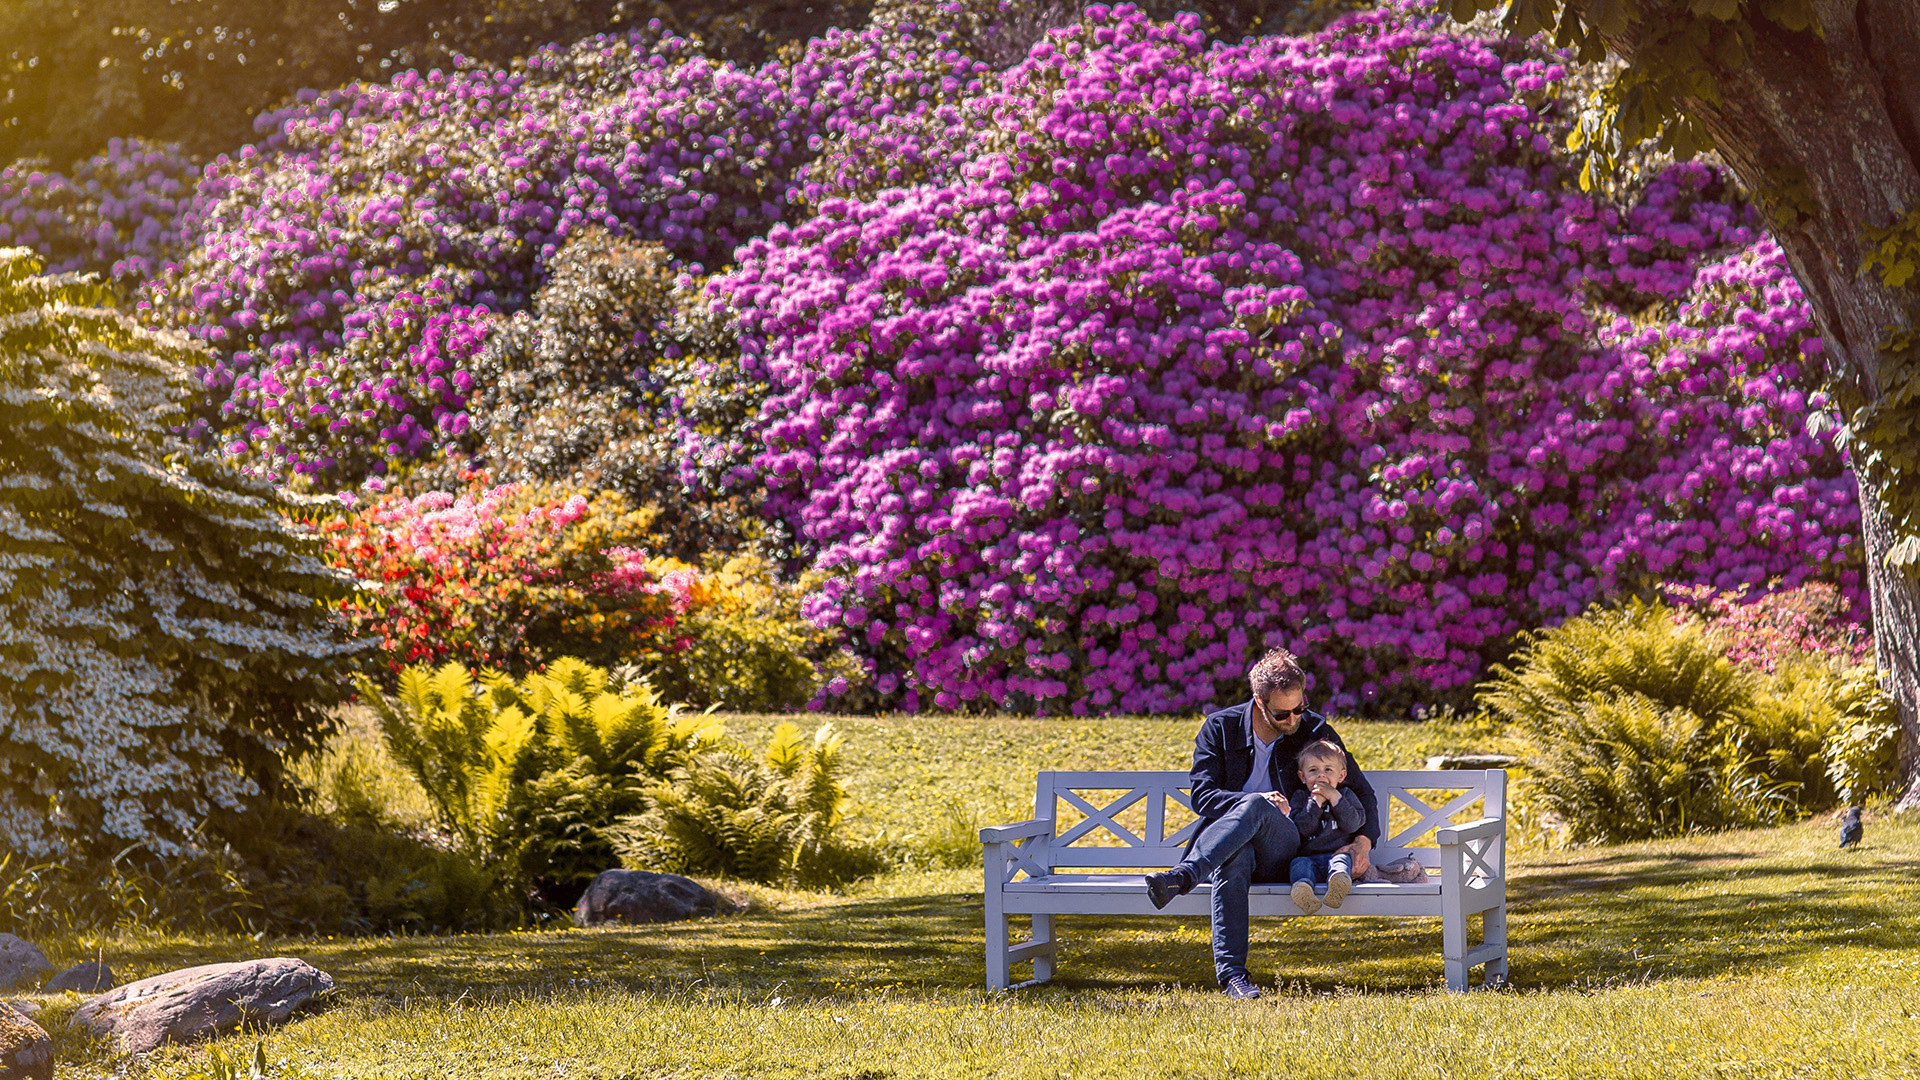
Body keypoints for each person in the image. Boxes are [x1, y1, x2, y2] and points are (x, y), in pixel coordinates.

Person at [1141, 649, 1381, 999]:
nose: (1293, 719)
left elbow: (1361, 791)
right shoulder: (1220, 729)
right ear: (1259, 701)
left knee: (1253, 808)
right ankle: (1233, 978)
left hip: (1289, 847)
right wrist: (1253, 802)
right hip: (1233, 848)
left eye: (1299, 707)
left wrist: (1364, 842)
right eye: (1282, 713)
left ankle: (1183, 877)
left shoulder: (1313, 729)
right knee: (1235, 852)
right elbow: (1202, 795)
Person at [1286, 739, 1366, 915]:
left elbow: (1353, 824)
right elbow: (1301, 829)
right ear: (1302, 776)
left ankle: (1338, 886)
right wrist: (1315, 803)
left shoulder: (1345, 795)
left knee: (1342, 861)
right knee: (1298, 865)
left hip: (1337, 853)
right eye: (1313, 770)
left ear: (1341, 776)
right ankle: (1303, 892)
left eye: (1328, 770)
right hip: (1307, 857)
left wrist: (1335, 798)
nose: (1321, 776)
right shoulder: (1300, 798)